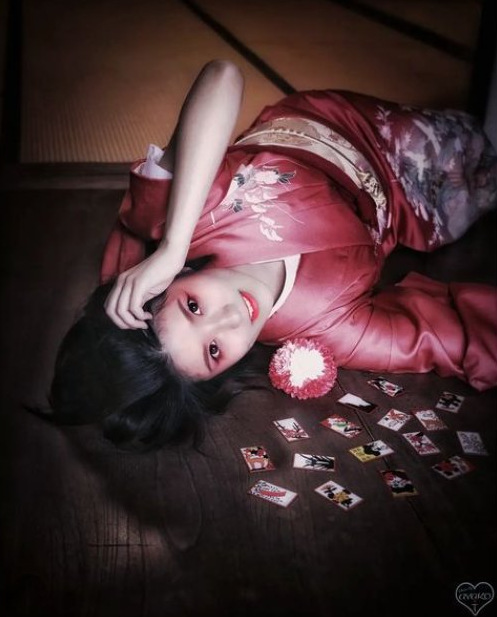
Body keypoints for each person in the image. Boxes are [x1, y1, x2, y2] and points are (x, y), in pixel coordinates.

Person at [46, 60, 497, 451]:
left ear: (172, 278)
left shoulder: (191, 215)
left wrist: (173, 245)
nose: (229, 319)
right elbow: (445, 337)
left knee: (470, 134)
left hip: (336, 122)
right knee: (485, 176)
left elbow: (223, 75)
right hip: (412, 203)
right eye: (215, 351)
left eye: (193, 306)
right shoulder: (325, 327)